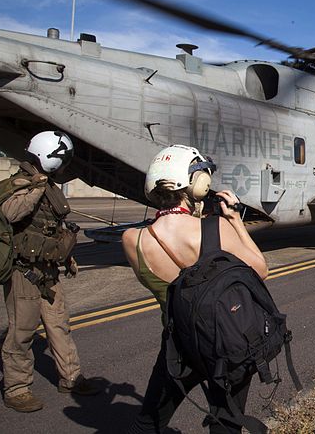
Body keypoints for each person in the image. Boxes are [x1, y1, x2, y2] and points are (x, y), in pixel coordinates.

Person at [122, 144, 268, 434]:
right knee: (226, 421)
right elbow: (260, 269)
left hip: (178, 345)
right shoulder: (215, 229)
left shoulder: (132, 239)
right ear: (197, 184)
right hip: (224, 343)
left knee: (148, 421)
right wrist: (235, 221)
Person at [0, 130, 101, 413]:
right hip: (24, 272)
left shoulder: (47, 187)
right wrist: (36, 187)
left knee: (60, 325)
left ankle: (70, 377)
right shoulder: (22, 185)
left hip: (48, 270)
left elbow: (52, 227)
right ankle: (17, 388)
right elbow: (11, 214)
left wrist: (67, 258)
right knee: (22, 332)